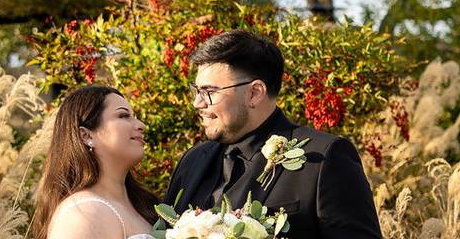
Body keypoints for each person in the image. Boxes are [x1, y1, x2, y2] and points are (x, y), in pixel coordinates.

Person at [164, 30, 383, 238]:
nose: (197, 103)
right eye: (197, 90)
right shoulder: (190, 161)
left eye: (210, 92)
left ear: (255, 93)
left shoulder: (323, 159)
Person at [30, 85, 158, 239]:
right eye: (123, 116)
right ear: (86, 136)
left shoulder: (146, 206)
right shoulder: (81, 214)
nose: (141, 125)